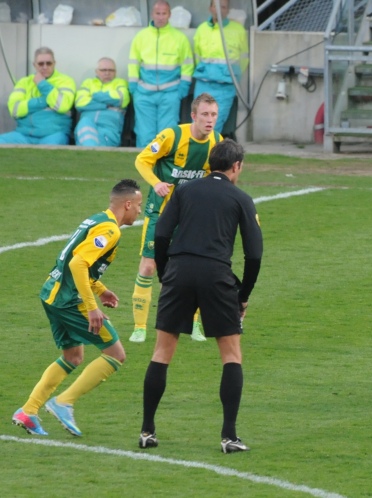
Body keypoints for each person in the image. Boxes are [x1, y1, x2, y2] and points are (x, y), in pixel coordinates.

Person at [138, 139, 263, 453]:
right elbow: (254, 254)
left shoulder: (184, 190)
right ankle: (229, 436)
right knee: (231, 354)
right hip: (216, 274)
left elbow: (162, 233)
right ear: (236, 167)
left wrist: (167, 275)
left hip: (179, 270)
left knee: (162, 352)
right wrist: (242, 295)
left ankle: (147, 431)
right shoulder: (241, 198)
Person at [11, 180, 142, 437]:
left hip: (51, 292)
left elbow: (76, 260)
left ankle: (28, 411)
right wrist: (92, 307)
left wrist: (100, 288)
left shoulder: (95, 220)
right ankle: (63, 402)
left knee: (73, 357)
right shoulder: (111, 231)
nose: (139, 211)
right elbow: (79, 264)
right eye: (138, 205)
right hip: (69, 300)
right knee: (116, 354)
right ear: (127, 204)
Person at [130, 93, 223, 343]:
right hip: (160, 212)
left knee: (193, 269)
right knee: (149, 266)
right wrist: (157, 183)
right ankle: (139, 327)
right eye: (205, 114)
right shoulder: (173, 136)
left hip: (192, 216)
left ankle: (194, 325)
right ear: (193, 115)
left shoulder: (217, 141)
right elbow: (141, 160)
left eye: (214, 114)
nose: (210, 120)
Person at [128, 0, 194, 148]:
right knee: (145, 133)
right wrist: (133, 85)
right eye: (158, 13)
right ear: (152, 14)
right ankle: (144, 166)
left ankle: (165, 167)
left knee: (167, 134)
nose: (160, 17)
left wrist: (184, 85)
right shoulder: (141, 37)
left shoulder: (179, 38)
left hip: (170, 92)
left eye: (164, 13)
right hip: (144, 92)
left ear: (169, 15)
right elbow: (133, 63)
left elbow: (187, 64)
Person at [193, 0, 249, 134]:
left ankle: (211, 153)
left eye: (223, 7)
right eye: (216, 6)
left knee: (214, 124)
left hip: (225, 85)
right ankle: (196, 153)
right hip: (203, 83)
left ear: (227, 10)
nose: (219, 10)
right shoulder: (202, 29)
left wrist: (232, 75)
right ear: (210, 8)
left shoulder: (237, 30)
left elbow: (244, 59)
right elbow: (196, 55)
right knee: (197, 123)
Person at [0, 47, 75, 145]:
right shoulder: (24, 82)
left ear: (54, 64)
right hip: (24, 134)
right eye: (41, 63)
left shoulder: (66, 81)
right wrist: (43, 101)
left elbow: (62, 105)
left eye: (48, 63)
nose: (45, 67)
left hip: (53, 134)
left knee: (49, 151)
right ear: (34, 65)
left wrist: (42, 84)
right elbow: (14, 110)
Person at [74, 58, 130, 147]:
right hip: (86, 127)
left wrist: (93, 96)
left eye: (111, 70)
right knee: (85, 122)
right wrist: (106, 105)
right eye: (103, 70)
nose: (107, 73)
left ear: (115, 72)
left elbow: (122, 100)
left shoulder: (120, 83)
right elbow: (80, 103)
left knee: (91, 140)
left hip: (109, 129)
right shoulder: (88, 83)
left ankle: (90, 152)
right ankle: (92, 152)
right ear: (96, 71)